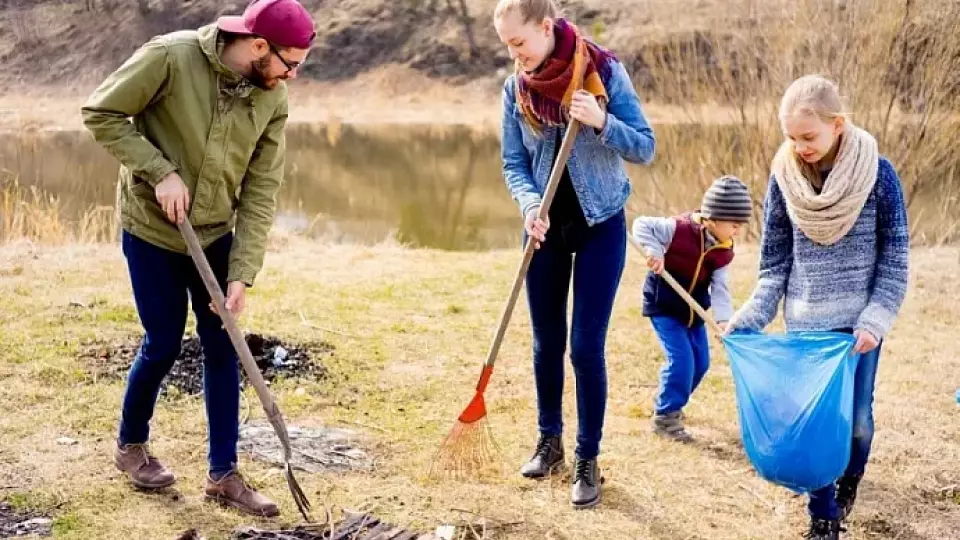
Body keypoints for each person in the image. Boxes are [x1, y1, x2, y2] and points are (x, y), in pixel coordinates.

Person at [80, 0, 315, 518]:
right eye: (290, 63)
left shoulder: (272, 98)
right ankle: (131, 446)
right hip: (153, 229)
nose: (293, 75)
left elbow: (261, 189)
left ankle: (223, 474)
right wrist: (159, 170)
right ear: (259, 46)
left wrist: (242, 273)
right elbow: (101, 112)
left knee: (224, 342)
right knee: (163, 342)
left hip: (215, 233)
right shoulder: (171, 57)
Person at [727, 74, 909, 539]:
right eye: (791, 137)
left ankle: (850, 479)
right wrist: (750, 317)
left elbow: (894, 261)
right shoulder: (783, 179)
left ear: (838, 125)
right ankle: (823, 517)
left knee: (858, 424)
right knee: (814, 425)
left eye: (808, 136)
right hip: (805, 327)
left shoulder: (879, 176)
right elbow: (774, 266)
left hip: (858, 330)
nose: (799, 147)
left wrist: (874, 321)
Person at [493, 0, 656, 509]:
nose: (515, 55)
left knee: (585, 348)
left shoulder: (603, 72)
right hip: (543, 232)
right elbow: (513, 162)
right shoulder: (516, 89)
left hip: (600, 226)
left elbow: (645, 147)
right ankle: (550, 442)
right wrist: (528, 205)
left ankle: (588, 457)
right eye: (507, 46)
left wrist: (602, 120)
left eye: (519, 43)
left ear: (545, 28)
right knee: (547, 343)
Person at [632, 175, 752, 442]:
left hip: (693, 312)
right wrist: (655, 252)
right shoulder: (677, 228)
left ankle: (671, 401)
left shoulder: (723, 250)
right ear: (713, 218)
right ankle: (666, 416)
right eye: (734, 225)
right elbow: (641, 225)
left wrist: (723, 320)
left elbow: (720, 288)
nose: (737, 231)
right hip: (665, 305)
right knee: (682, 361)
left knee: (701, 364)